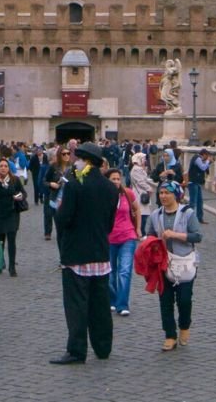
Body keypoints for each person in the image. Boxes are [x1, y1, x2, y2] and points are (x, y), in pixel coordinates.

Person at [51, 143, 119, 364]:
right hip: (100, 253)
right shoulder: (111, 188)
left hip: (76, 255)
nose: (74, 162)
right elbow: (110, 223)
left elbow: (63, 219)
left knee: (77, 305)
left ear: (84, 161)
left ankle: (77, 350)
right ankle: (103, 347)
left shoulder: (74, 186)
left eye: (77, 158)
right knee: (100, 305)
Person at [146, 180, 202, 351]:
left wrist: (176, 235)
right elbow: (149, 234)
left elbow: (197, 236)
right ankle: (170, 335)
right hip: (163, 264)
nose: (163, 196)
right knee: (165, 301)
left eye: (167, 193)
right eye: (161, 193)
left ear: (176, 195)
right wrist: (152, 241)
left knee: (184, 300)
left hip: (184, 262)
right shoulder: (155, 215)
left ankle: (184, 325)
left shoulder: (188, 213)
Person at [106, 167, 140, 317]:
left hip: (128, 236)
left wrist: (138, 228)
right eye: (113, 179)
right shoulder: (102, 196)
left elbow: (137, 209)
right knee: (110, 272)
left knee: (124, 271)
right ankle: (112, 300)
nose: (116, 181)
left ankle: (122, 304)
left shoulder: (128, 193)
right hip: (109, 238)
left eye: (118, 179)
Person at [0, 158, 27, 276]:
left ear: (9, 168)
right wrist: (0, 183)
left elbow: (24, 193)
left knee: (11, 240)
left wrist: (20, 196)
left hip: (12, 213)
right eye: (1, 166)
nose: (3, 168)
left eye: (5, 166)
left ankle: (12, 266)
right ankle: (0, 263)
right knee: (0, 241)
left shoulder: (15, 180)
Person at [43, 146, 72, 242]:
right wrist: (51, 184)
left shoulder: (73, 168)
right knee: (59, 227)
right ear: (60, 155)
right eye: (64, 154)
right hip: (56, 200)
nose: (67, 155)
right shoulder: (53, 166)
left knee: (68, 227)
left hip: (69, 200)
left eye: (68, 153)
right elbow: (44, 181)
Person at [128, 151, 156, 235]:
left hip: (141, 193)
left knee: (143, 213)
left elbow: (145, 179)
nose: (145, 160)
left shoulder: (139, 168)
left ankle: (140, 232)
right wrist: (149, 188)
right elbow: (141, 181)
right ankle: (141, 232)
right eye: (143, 159)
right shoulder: (137, 169)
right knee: (142, 214)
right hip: (139, 193)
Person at [186, 148, 211, 223]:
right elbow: (203, 167)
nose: (207, 158)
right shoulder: (197, 158)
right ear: (204, 154)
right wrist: (208, 161)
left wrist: (208, 162)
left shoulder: (200, 159)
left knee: (200, 201)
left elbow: (204, 168)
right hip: (193, 183)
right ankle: (189, 219)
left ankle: (200, 218)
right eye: (207, 156)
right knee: (193, 202)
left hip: (197, 183)